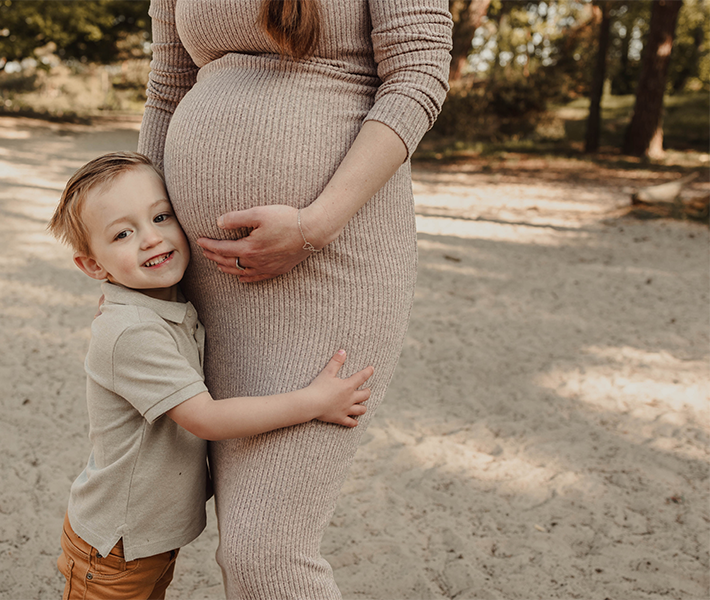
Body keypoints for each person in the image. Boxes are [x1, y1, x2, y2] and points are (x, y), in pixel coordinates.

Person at [137, 0, 453, 597]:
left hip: (334, 263)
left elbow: (418, 73)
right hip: (203, 279)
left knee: (266, 552)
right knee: (236, 544)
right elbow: (167, 88)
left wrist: (314, 226)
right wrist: (137, 269)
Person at [48, 151, 374, 600]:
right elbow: (207, 418)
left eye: (161, 216)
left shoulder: (157, 304)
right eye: (123, 233)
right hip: (114, 550)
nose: (151, 239)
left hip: (146, 541)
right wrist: (314, 402)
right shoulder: (131, 332)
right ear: (94, 267)